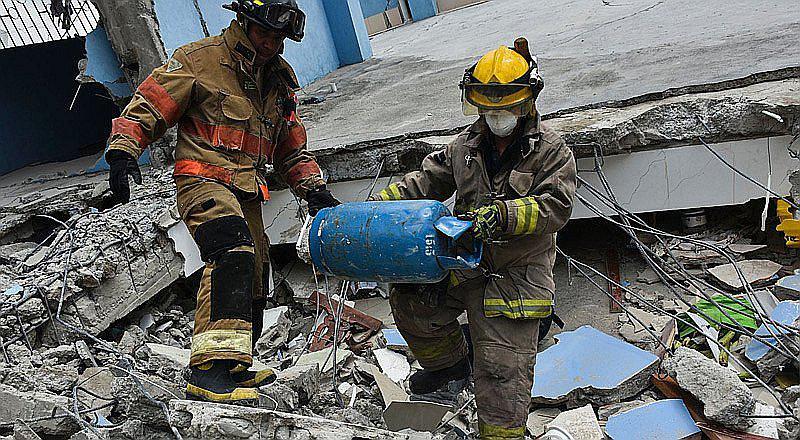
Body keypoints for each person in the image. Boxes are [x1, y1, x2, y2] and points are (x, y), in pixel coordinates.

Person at [104, 0, 340, 404]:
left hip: (246, 190)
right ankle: (207, 371)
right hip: (202, 179)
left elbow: (290, 148)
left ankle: (235, 363)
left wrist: (313, 188)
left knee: (254, 276)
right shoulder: (201, 60)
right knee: (231, 251)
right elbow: (149, 105)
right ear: (243, 22)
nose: (271, 44)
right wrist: (124, 150)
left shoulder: (278, 82)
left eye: (279, 37)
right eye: (264, 33)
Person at [371, 38, 577, 439]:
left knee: (501, 377)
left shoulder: (552, 151)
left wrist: (502, 216)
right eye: (488, 107)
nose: (495, 116)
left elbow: (556, 207)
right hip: (466, 264)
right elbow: (426, 182)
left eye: (504, 107)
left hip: (517, 275)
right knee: (412, 303)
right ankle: (451, 368)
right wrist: (378, 208)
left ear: (527, 102)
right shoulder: (466, 146)